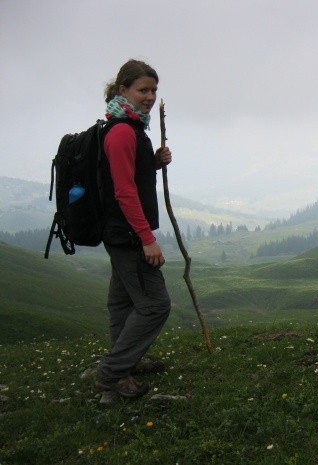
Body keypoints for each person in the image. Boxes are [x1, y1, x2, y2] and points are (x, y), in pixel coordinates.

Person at [94, 59, 172, 398]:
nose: (150, 96)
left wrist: (153, 162)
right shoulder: (123, 132)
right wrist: (147, 239)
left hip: (119, 233)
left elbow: (130, 178)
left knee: (123, 302)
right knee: (155, 304)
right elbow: (124, 192)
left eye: (154, 90)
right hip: (128, 235)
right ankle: (112, 374)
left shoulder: (128, 127)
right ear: (122, 89)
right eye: (143, 89)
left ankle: (128, 360)